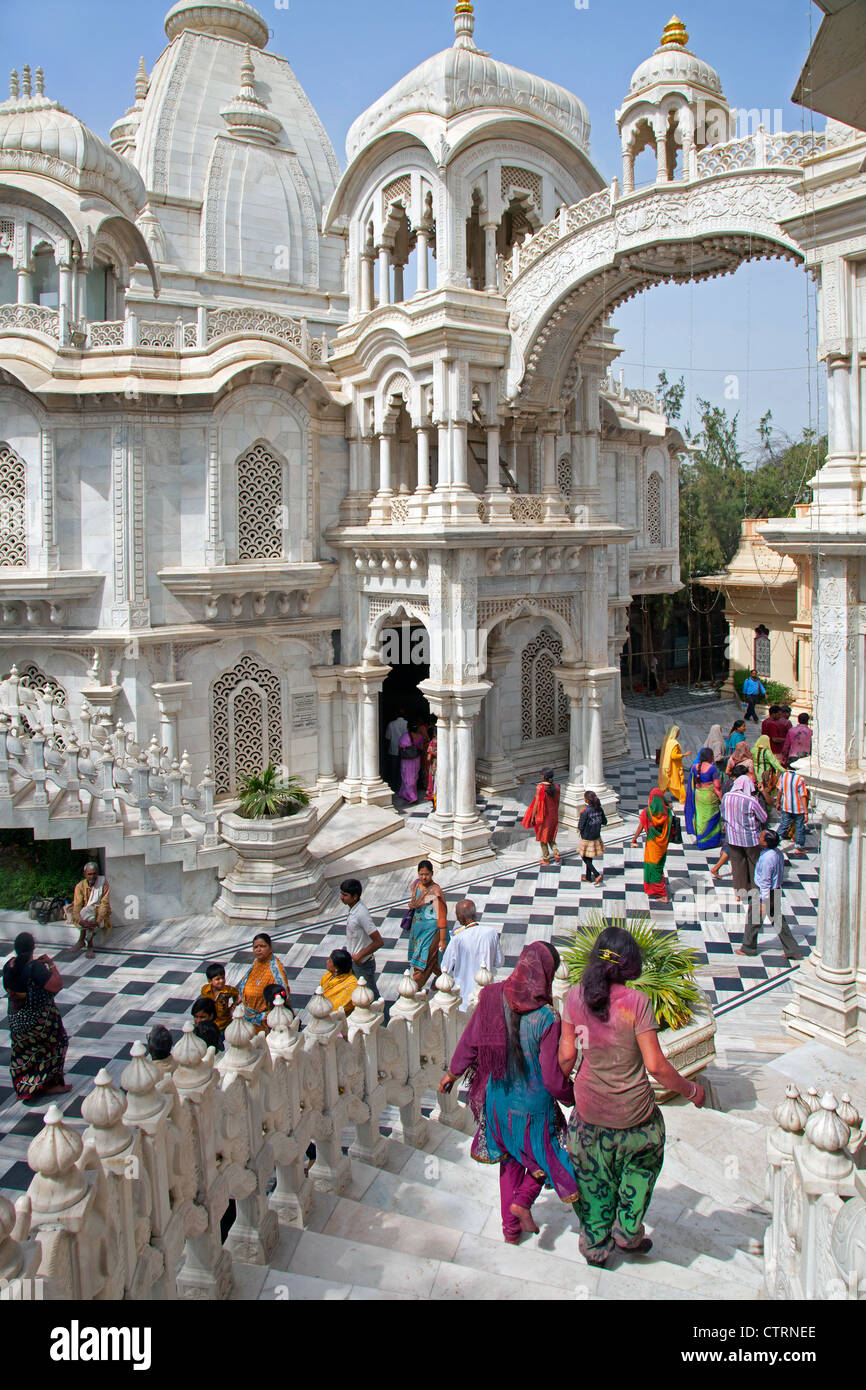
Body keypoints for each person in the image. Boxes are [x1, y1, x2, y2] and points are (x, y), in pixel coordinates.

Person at [558, 926, 705, 1268]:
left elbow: (566, 1058)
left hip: (589, 1116)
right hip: (635, 1118)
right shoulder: (637, 1003)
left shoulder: (575, 997)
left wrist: (558, 1088)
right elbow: (656, 1066)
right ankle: (627, 1232)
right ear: (630, 965)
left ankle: (595, 1245)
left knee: (593, 1180)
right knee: (640, 1169)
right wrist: (692, 1091)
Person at [439, 942, 578, 1245]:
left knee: (511, 1160)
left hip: (498, 1100)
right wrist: (572, 1097)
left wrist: (452, 1073)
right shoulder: (547, 1018)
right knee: (547, 1156)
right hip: (534, 1107)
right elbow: (553, 1078)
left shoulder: (490, 996)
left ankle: (510, 1230)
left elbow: (471, 1041)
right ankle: (524, 1201)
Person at [2, 932, 70, 1104]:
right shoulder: (35, 968)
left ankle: (25, 1087)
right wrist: (51, 964)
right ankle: (49, 1085)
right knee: (57, 1044)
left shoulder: (8, 966)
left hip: (17, 1021)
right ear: (33, 948)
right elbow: (56, 986)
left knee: (24, 1052)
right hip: (39, 1021)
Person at [736, 830, 803, 962]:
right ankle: (793, 950)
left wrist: (763, 901)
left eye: (761, 837)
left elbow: (766, 881)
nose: (758, 838)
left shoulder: (767, 858)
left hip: (765, 893)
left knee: (753, 920)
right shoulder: (777, 853)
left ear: (766, 843)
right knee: (778, 921)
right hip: (775, 890)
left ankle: (748, 947)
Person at [440, 899, 502, 1007]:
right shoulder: (492, 932)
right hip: (487, 993)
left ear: (460, 916)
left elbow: (445, 967)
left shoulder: (457, 938)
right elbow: (499, 962)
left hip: (464, 997)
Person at [721, 773, 768, 898]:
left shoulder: (726, 796)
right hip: (750, 839)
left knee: (737, 866)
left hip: (732, 837)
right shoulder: (751, 800)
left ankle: (739, 893)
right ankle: (755, 890)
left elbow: (723, 813)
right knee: (754, 864)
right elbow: (763, 818)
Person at [406, 860, 449, 987]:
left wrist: (442, 939)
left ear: (432, 873)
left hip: (430, 933)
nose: (423, 877)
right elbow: (414, 901)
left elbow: (441, 916)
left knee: (422, 963)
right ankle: (445, 980)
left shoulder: (435, 892)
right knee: (431, 960)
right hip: (417, 931)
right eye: (421, 874)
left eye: (427, 874)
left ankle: (414, 989)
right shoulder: (416, 885)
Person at [340, 878, 383, 999]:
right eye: (341, 893)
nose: (341, 897)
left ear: (355, 897)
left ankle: (385, 1017)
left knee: (371, 996)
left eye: (345, 895)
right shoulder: (354, 909)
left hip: (363, 963)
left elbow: (379, 941)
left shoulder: (361, 913)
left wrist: (359, 955)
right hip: (355, 962)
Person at [239, 933, 291, 1032]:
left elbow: (282, 998)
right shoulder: (256, 962)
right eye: (255, 947)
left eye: (262, 946)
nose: (258, 949)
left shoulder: (275, 971)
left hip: (265, 1023)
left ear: (270, 948)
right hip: (248, 1017)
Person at [631, 789, 674, 901]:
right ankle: (656, 891)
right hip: (662, 845)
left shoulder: (647, 812)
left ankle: (662, 894)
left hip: (652, 845)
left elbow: (640, 827)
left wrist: (634, 839)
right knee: (658, 867)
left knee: (653, 868)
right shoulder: (668, 812)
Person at [684, 747, 723, 851]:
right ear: (710, 757)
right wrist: (722, 799)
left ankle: (700, 839)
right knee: (713, 817)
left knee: (700, 817)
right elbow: (717, 786)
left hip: (698, 795)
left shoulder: (694, 767)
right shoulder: (712, 768)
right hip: (709, 796)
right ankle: (712, 841)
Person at [522, 768, 561, 866]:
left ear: (544, 777)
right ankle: (556, 853)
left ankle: (546, 859)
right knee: (551, 836)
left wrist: (533, 815)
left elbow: (536, 802)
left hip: (543, 816)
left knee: (543, 838)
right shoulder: (556, 787)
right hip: (553, 815)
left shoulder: (540, 787)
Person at [71, 861, 111, 957]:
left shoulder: (103, 884)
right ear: (85, 874)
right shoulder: (80, 886)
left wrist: (98, 921)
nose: (92, 877)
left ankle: (84, 942)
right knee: (86, 913)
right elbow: (77, 906)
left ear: (97, 873)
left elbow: (104, 904)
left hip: (100, 913)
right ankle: (88, 944)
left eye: (94, 874)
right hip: (84, 914)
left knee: (90, 916)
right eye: (89, 874)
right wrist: (80, 921)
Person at [776, 764, 809, 857]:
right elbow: (803, 796)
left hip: (786, 806)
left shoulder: (783, 775)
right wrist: (806, 812)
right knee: (800, 827)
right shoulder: (800, 778)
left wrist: (778, 802)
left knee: (783, 825)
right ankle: (799, 847)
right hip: (798, 808)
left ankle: (774, 841)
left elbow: (780, 790)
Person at [319, 949, 360, 1017]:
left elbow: (336, 1009)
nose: (327, 962)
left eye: (329, 961)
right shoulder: (327, 976)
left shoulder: (351, 986)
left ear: (336, 969)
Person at [578, 790, 607, 885]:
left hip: (587, 836)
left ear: (586, 800)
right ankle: (588, 877)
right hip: (596, 835)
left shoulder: (585, 811)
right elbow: (604, 822)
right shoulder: (599, 809)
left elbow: (580, 826)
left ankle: (596, 874)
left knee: (584, 856)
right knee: (588, 856)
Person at [200, 962, 239, 1031]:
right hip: (210, 1024)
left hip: (225, 1024)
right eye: (217, 979)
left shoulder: (228, 990)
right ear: (210, 981)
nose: (221, 981)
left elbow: (238, 995)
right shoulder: (205, 990)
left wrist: (233, 1007)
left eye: (223, 978)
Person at [658, 726, 689, 804]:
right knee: (678, 783)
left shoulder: (667, 742)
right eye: (678, 732)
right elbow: (673, 756)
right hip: (674, 767)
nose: (678, 734)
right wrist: (684, 755)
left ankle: (658, 796)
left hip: (665, 766)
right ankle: (683, 799)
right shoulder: (674, 744)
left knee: (664, 783)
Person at [397, 721, 425, 804]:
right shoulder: (420, 736)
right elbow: (421, 747)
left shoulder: (405, 736)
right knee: (414, 777)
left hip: (407, 760)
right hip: (416, 759)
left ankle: (412, 797)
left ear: (408, 728)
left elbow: (400, 746)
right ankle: (404, 794)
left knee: (406, 777)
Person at [752, 734, 784, 803]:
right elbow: (775, 764)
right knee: (766, 792)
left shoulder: (753, 750)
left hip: (754, 774)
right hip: (765, 775)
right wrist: (785, 771)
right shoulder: (767, 752)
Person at [384, 708, 408, 791]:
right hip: (405, 750)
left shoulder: (391, 724)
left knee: (394, 769)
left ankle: (394, 786)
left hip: (393, 750)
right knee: (404, 769)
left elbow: (388, 737)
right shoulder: (407, 724)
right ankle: (402, 785)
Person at [425, 729, 437, 805]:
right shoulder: (445, 741)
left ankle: (434, 801)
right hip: (443, 764)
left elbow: (429, 757)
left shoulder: (433, 742)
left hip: (434, 765)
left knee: (433, 781)